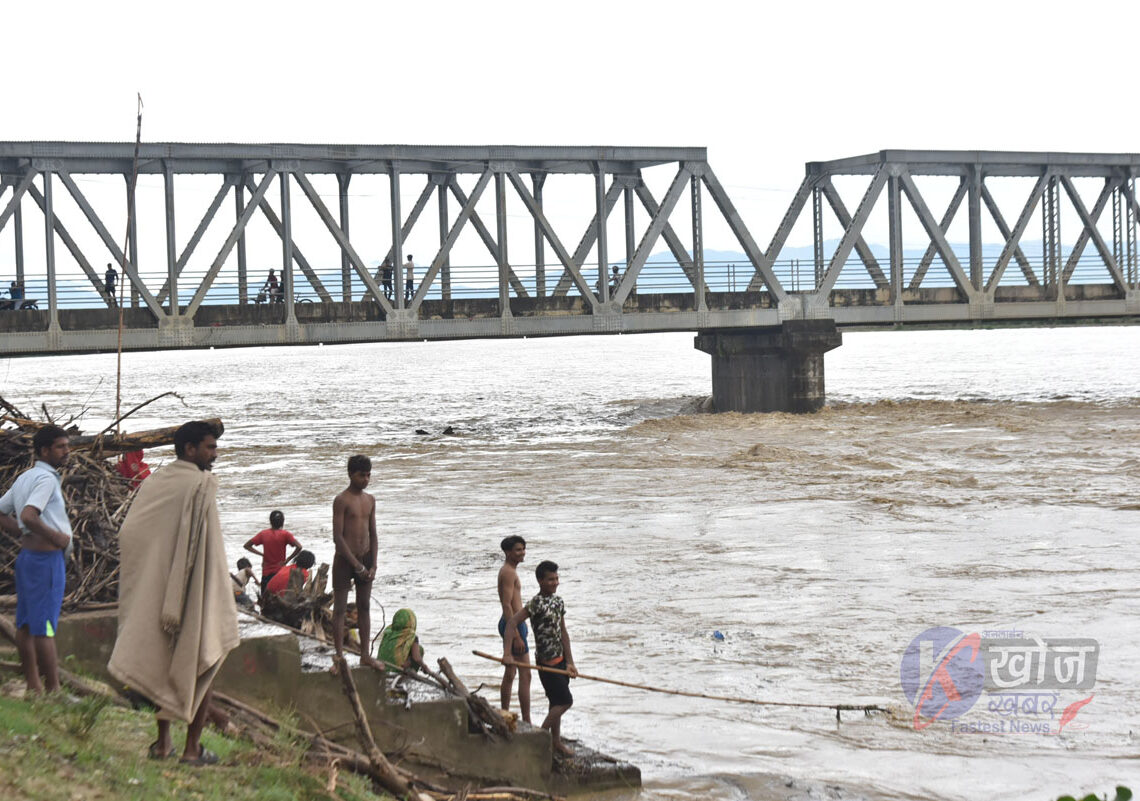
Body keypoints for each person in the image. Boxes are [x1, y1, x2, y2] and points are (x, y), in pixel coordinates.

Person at [108, 421, 238, 765]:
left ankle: (164, 745)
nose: (215, 453)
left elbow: (131, 534)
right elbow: (207, 549)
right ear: (190, 449)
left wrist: (158, 576)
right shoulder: (201, 485)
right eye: (209, 447)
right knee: (202, 659)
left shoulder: (157, 482)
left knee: (167, 665)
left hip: (162, 592)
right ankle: (192, 750)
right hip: (192, 590)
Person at [0, 425, 72, 694]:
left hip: (27, 559)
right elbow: (30, 515)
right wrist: (57, 537)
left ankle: (34, 685)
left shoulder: (25, 478)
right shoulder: (45, 480)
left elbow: (1, 511)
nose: (67, 451)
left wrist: (21, 531)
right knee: (46, 628)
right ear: (44, 451)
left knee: (26, 625)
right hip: (46, 562)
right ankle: (54, 689)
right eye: (61, 447)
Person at [503, 560, 577, 756]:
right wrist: (507, 654)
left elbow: (563, 632)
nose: (555, 583)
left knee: (555, 702)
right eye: (551, 579)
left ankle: (555, 742)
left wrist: (570, 662)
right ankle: (541, 736)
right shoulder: (535, 603)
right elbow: (511, 623)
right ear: (540, 581)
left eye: (557, 579)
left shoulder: (558, 601)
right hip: (546, 664)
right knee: (565, 702)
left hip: (560, 661)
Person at [331, 454, 382, 672]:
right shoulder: (342, 500)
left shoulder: (370, 500)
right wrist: (356, 565)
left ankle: (364, 656)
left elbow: (373, 533)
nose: (366, 479)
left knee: (364, 606)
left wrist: (373, 564)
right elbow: (338, 538)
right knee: (340, 608)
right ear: (351, 474)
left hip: (366, 556)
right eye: (362, 475)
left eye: (369, 475)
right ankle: (339, 656)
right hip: (345, 559)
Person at [497, 535, 531, 723]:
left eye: (523, 549)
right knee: (525, 673)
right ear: (508, 552)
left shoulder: (509, 570)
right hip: (513, 624)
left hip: (512, 624)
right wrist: (516, 635)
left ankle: (504, 712)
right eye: (518, 550)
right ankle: (526, 719)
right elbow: (507, 605)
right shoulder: (508, 572)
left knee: (511, 672)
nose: (522, 553)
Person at [244, 510, 301, 593]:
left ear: (270, 521)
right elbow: (299, 547)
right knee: (279, 596)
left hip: (266, 571)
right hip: (280, 572)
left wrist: (262, 554)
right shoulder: (286, 534)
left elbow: (247, 546)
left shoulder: (263, 534)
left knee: (265, 598)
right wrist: (287, 560)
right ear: (283, 522)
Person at [378, 608, 428, 672]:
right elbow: (417, 658)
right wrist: (424, 667)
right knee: (419, 649)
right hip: (397, 669)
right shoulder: (410, 635)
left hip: (381, 666)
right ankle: (408, 676)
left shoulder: (387, 632)